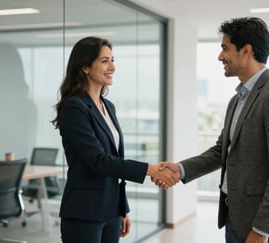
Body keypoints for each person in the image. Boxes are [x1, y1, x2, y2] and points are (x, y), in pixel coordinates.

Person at [155, 17, 269, 243]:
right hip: (235, 219)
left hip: (263, 229)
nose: (220, 56)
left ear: (246, 51)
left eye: (225, 48)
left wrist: (261, 230)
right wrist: (180, 170)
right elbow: (221, 151)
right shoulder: (237, 99)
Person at [52, 36, 177, 243]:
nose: (113, 67)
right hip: (85, 211)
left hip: (111, 211)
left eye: (113, 59)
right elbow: (99, 161)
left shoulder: (107, 106)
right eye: (104, 61)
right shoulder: (74, 107)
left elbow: (115, 160)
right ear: (85, 67)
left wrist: (122, 208)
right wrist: (150, 169)